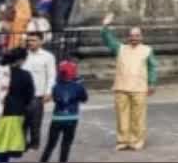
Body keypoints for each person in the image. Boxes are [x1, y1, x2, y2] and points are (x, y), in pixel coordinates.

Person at [100, 13, 157, 151]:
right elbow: (108, 39)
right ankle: (123, 140)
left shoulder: (147, 50)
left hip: (139, 87)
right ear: (128, 37)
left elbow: (152, 67)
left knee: (138, 116)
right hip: (121, 86)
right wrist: (105, 25)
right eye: (132, 35)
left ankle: (137, 140)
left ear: (141, 37)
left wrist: (152, 83)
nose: (134, 38)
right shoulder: (120, 48)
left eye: (137, 35)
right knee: (121, 116)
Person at [40, 60, 87, 163]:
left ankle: (43, 160)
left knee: (51, 144)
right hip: (72, 118)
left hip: (57, 118)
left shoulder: (56, 87)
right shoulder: (78, 86)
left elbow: (56, 98)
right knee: (66, 144)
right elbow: (84, 99)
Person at [0, 49, 34, 163]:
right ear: (21, 60)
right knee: (6, 148)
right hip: (14, 115)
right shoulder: (25, 75)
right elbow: (29, 96)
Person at [21, 32, 56, 153]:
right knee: (21, 122)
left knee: (35, 122)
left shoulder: (48, 57)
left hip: (37, 95)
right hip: (22, 95)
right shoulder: (23, 55)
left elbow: (51, 76)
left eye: (34, 40)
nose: (30, 42)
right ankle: (21, 144)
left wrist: (48, 92)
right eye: (29, 40)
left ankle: (34, 144)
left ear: (41, 41)